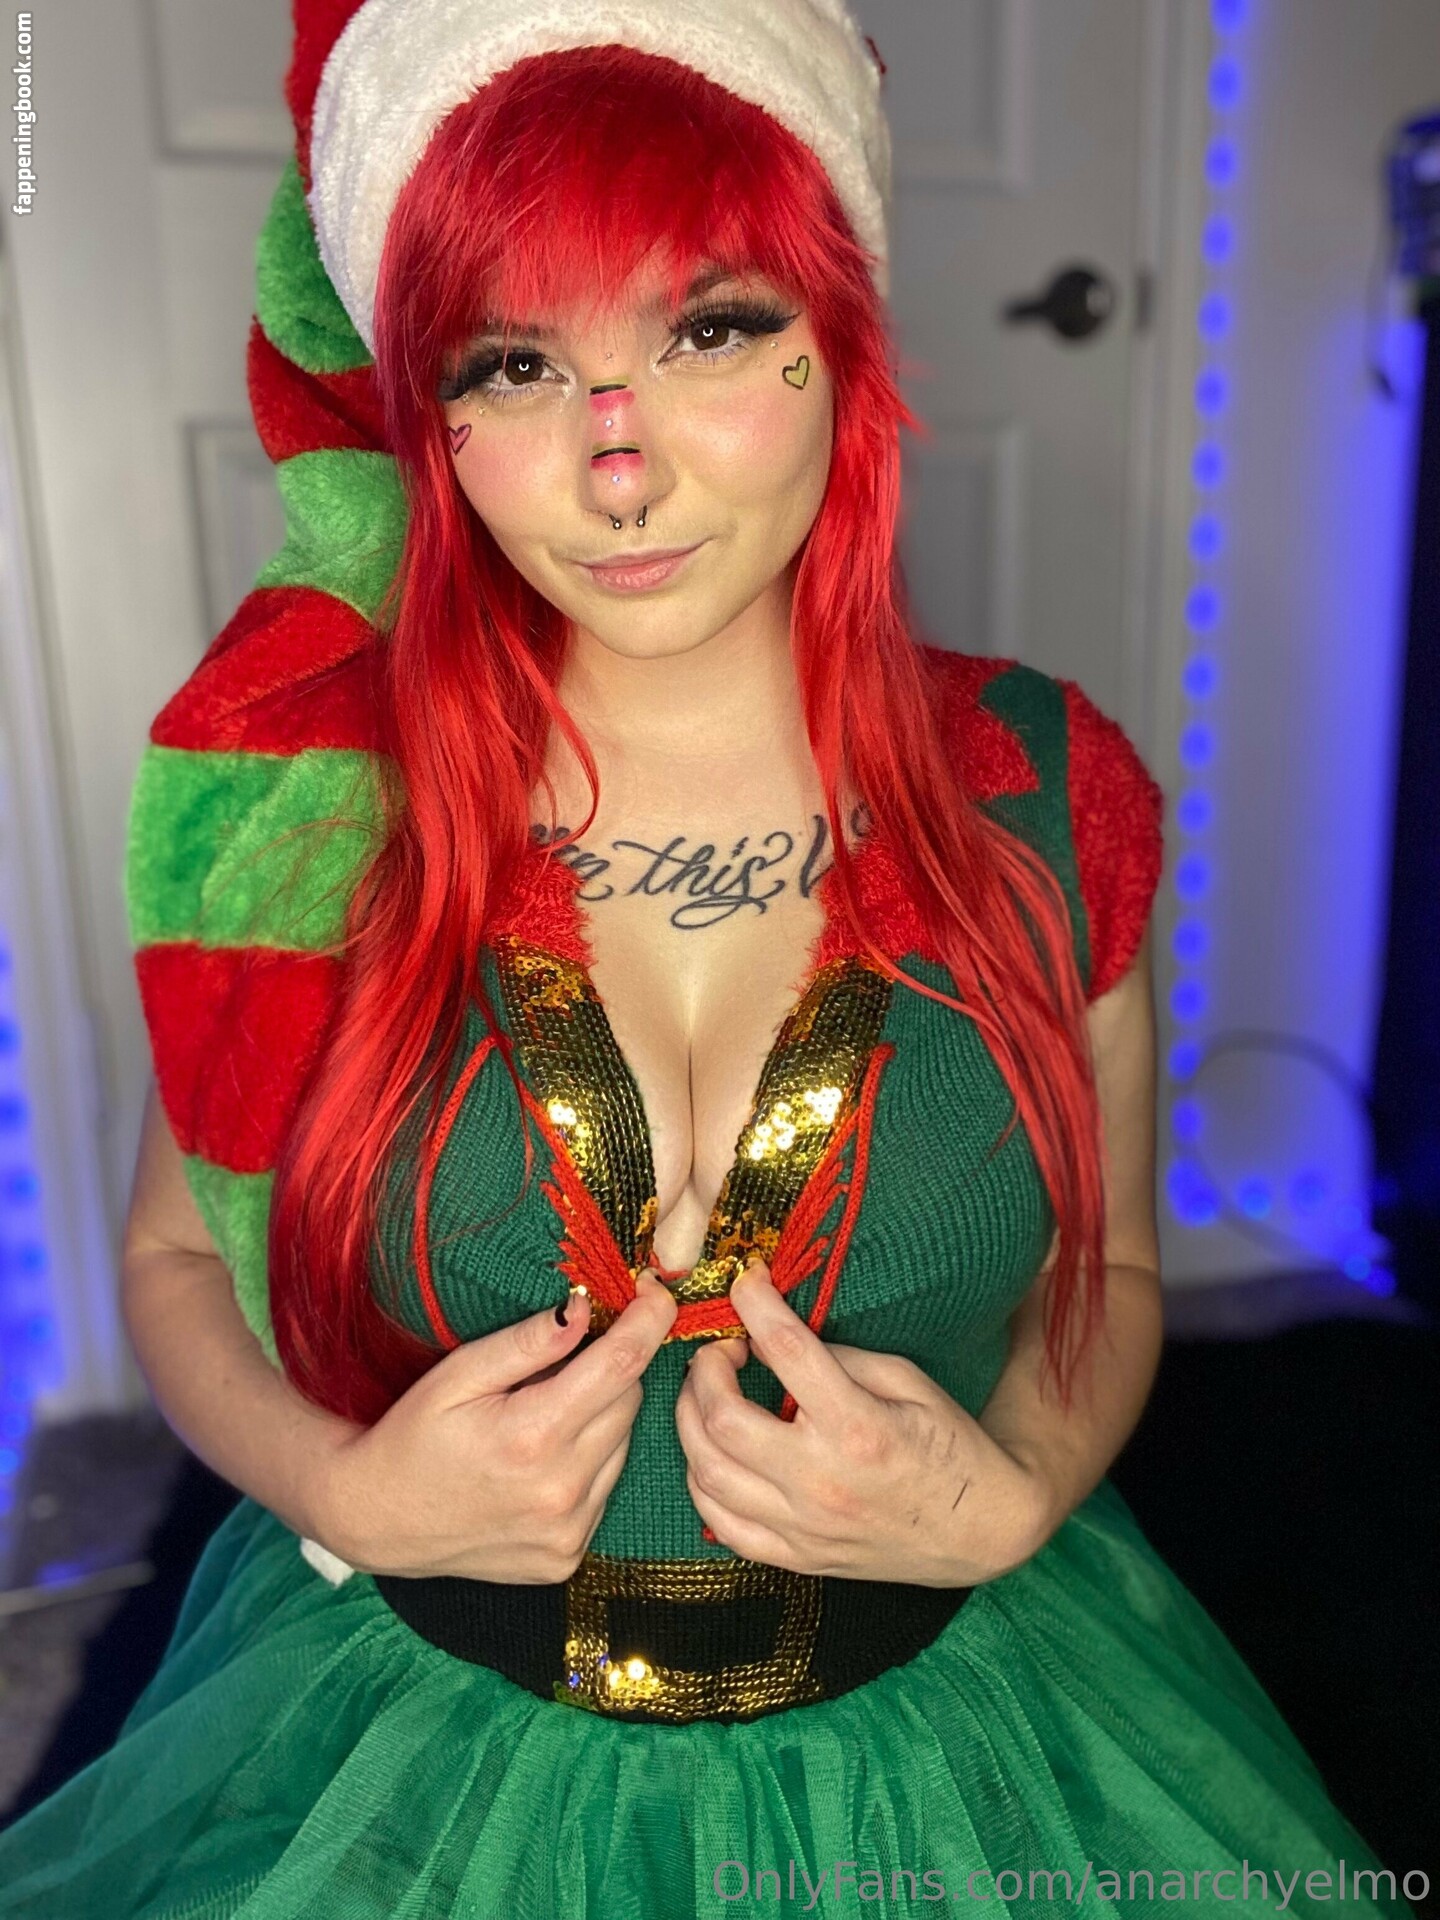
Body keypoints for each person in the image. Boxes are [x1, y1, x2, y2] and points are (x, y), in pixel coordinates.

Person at [0, 2, 1416, 1915]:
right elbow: (175, 1258)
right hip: (409, 1757)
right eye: (515, 362)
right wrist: (341, 1490)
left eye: (708, 330)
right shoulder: (309, 812)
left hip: (960, 1735)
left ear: (844, 341)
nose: (617, 467)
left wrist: (1016, 1494)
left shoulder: (1049, 798)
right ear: (429, 411)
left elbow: (1113, 1267)